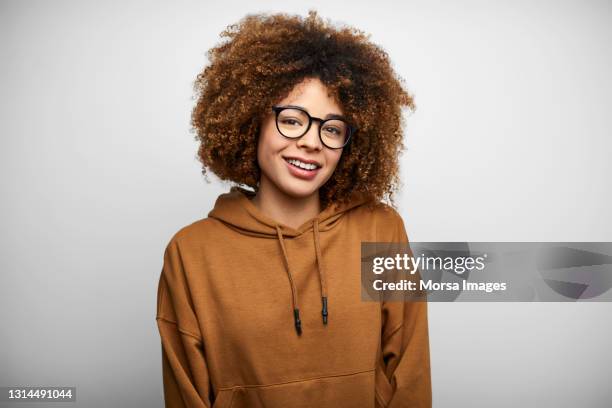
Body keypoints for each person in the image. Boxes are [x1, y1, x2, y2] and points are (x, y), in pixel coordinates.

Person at [155, 10, 431, 408]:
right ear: (251, 123)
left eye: (332, 128)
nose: (311, 142)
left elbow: (411, 376)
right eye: (292, 120)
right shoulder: (191, 252)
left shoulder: (381, 231)